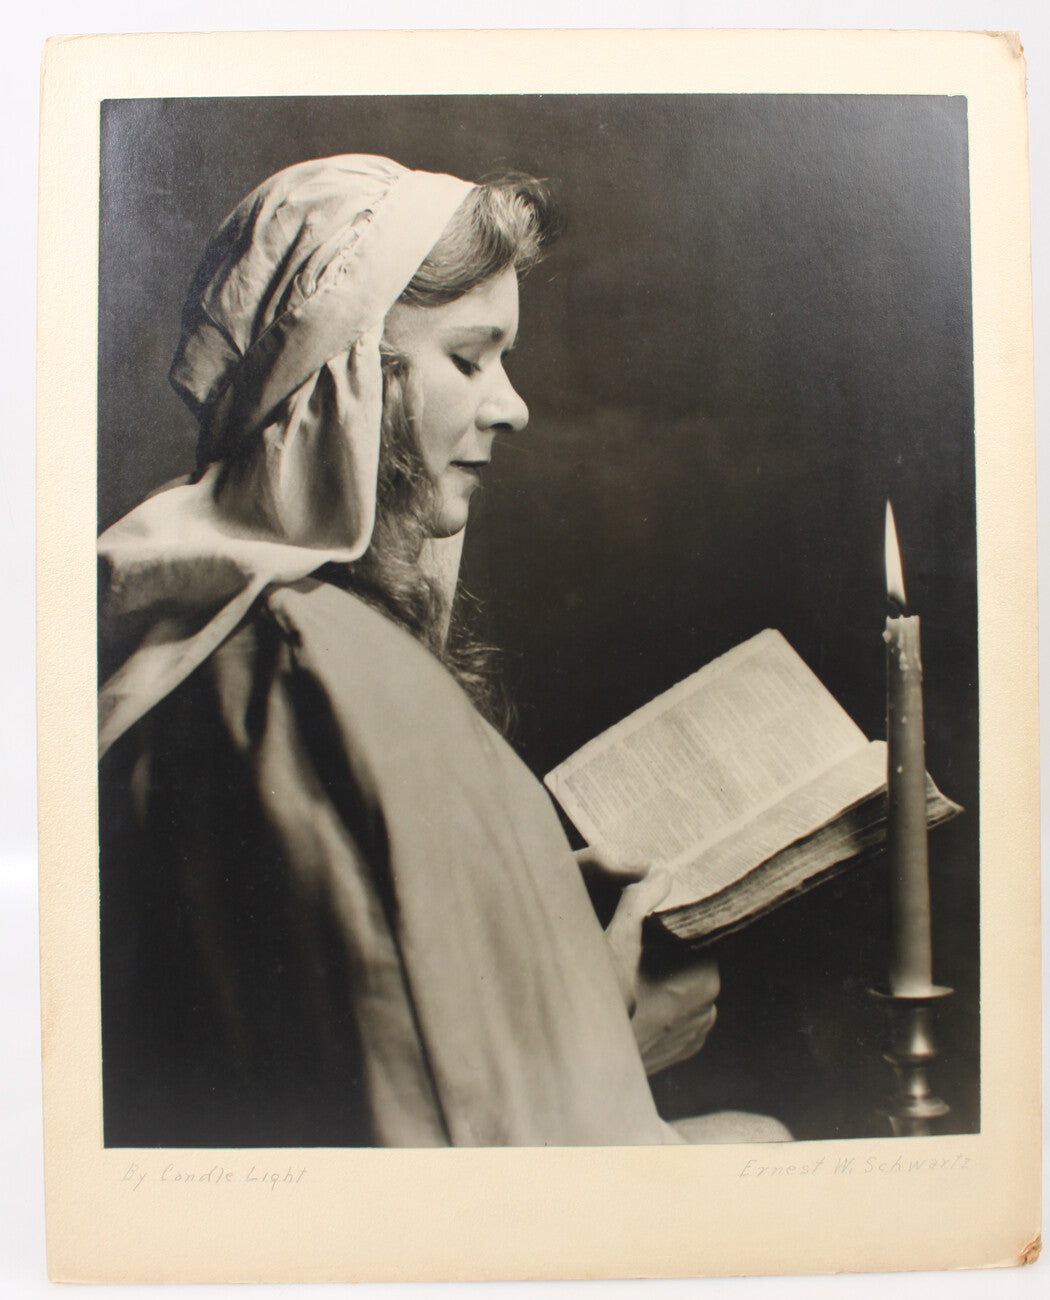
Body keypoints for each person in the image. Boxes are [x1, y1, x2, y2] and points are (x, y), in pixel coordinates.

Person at [98, 154, 789, 1147]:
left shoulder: (252, 644)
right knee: (764, 1142)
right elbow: (431, 1147)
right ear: (347, 386)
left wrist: (540, 914)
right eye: (469, 358)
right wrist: (595, 1023)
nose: (511, 406)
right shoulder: (309, 670)